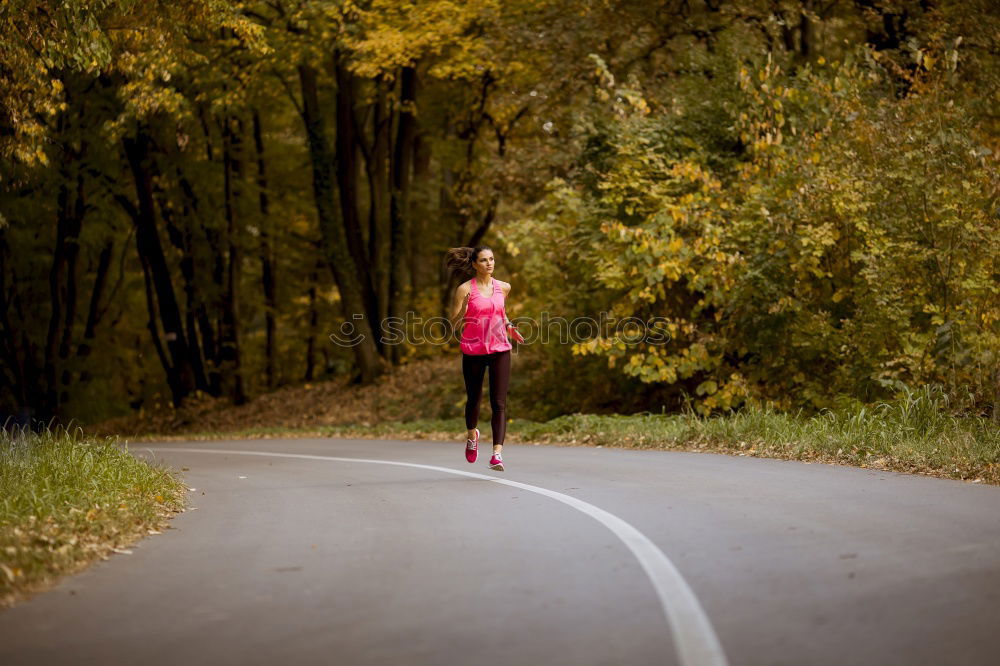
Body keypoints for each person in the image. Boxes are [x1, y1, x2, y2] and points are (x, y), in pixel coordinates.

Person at [446, 246, 524, 471]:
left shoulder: (504, 287)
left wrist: (509, 326)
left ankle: (497, 455)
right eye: (483, 260)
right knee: (474, 399)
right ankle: (472, 435)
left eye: (491, 259)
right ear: (474, 264)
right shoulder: (464, 290)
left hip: (500, 348)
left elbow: (500, 311)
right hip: (473, 350)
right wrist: (463, 310)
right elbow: (453, 324)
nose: (489, 263)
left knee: (499, 403)